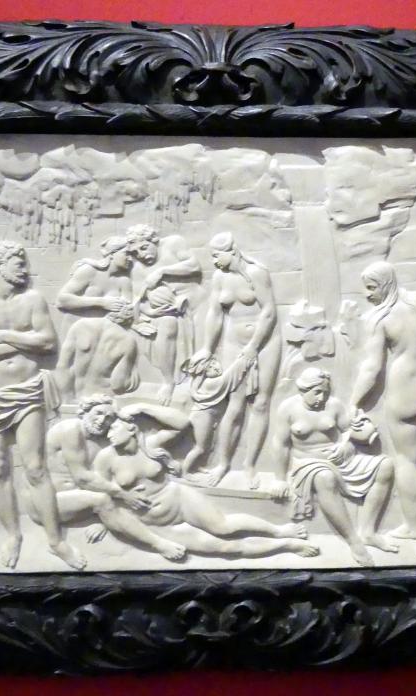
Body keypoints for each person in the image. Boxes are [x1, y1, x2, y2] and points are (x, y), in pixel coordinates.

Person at [0, 241, 83, 570]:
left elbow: (47, 342)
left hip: (27, 392)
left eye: (23, 262)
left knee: (35, 467)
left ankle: (56, 541)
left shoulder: (33, 300)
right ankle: (12, 535)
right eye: (17, 263)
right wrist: (23, 343)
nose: (23, 268)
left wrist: (3, 337)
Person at [92, 410, 318, 560]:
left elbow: (181, 423)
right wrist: (104, 521)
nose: (108, 434)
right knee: (226, 548)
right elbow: (100, 492)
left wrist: (143, 408)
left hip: (178, 498)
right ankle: (287, 546)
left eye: (113, 428)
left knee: (224, 526)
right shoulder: (105, 458)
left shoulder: (150, 444)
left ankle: (278, 531)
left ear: (131, 428)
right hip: (155, 521)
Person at [349, 261, 416, 556]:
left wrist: (354, 401)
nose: (367, 294)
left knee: (407, 461)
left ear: (385, 284)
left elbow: (371, 368)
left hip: (403, 388)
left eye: (371, 287)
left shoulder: (379, 318)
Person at [270, 368, 397, 565]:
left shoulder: (334, 405)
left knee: (386, 465)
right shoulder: (288, 409)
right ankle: (353, 541)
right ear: (303, 390)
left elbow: (348, 432)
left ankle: (368, 532)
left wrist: (346, 446)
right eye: (317, 392)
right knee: (325, 477)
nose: (321, 397)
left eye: (325, 392)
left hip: (338, 460)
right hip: (306, 463)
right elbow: (281, 444)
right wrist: (280, 479)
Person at [186, 232, 281, 488]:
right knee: (234, 404)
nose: (214, 261)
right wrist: (207, 348)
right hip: (233, 341)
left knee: (260, 403)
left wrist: (253, 347)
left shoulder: (257, 273)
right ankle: (223, 463)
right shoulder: (219, 277)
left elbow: (269, 311)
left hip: (265, 343)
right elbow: (215, 314)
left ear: (232, 251)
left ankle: (249, 465)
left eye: (217, 255)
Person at [44, 394, 186, 561]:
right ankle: (158, 544)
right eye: (98, 413)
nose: (102, 420)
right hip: (50, 505)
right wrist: (123, 495)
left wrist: (142, 407)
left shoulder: (109, 440)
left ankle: (112, 520)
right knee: (105, 499)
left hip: (85, 506)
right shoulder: (71, 429)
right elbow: (82, 478)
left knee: (136, 492)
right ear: (85, 411)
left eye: (109, 417)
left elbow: (182, 423)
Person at [56, 236, 143, 397]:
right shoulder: (89, 271)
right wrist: (102, 302)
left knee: (98, 375)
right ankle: (67, 399)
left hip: (106, 339)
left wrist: (128, 314)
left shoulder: (124, 281)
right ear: (112, 254)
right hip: (78, 331)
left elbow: (126, 313)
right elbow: (62, 300)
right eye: (126, 253)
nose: (130, 259)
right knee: (71, 368)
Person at [126, 224, 201, 404]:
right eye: (136, 252)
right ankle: (168, 382)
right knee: (167, 323)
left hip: (194, 304)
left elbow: (194, 265)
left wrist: (162, 271)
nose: (141, 255)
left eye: (144, 247)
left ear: (154, 240)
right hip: (163, 314)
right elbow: (138, 300)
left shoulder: (174, 243)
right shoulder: (137, 269)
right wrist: (151, 312)